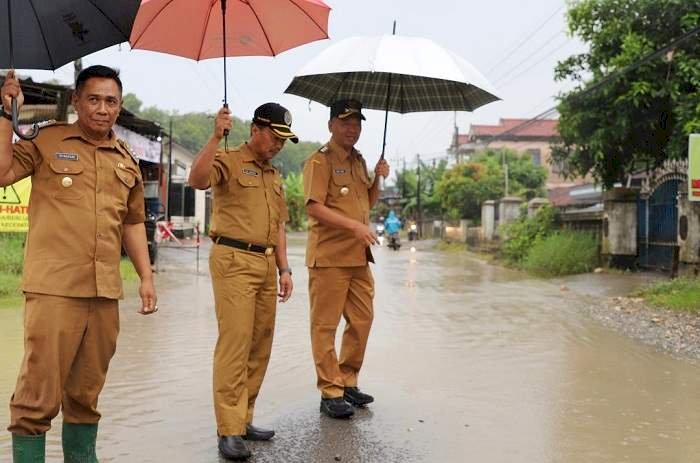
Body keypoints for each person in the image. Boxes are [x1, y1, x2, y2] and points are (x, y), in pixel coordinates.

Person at [0, 66, 158, 462]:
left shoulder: (126, 158)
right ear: (76, 101)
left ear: (119, 107)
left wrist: (146, 277)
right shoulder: (47, 140)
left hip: (104, 292)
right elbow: (2, 173)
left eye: (111, 101)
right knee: (37, 395)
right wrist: (6, 116)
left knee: (87, 394)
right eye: (94, 99)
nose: (102, 109)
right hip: (54, 289)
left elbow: (133, 222)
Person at [188, 102, 295, 461]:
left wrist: (284, 269)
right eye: (275, 137)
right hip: (233, 259)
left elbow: (279, 225)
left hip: (265, 263)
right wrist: (215, 136)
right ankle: (229, 429)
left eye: (284, 141)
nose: (279, 145)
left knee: (259, 344)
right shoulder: (229, 158)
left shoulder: (273, 175)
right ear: (256, 129)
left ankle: (244, 418)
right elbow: (197, 179)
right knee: (234, 344)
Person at [303, 99, 390, 419]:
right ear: (331, 126)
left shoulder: (359, 161)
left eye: (357, 123)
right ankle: (330, 390)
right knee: (324, 326)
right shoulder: (319, 162)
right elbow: (313, 207)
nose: (352, 129)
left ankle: (347, 379)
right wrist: (354, 226)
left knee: (362, 320)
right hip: (329, 257)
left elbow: (366, 202)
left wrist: (379, 178)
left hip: (357, 257)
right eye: (345, 123)